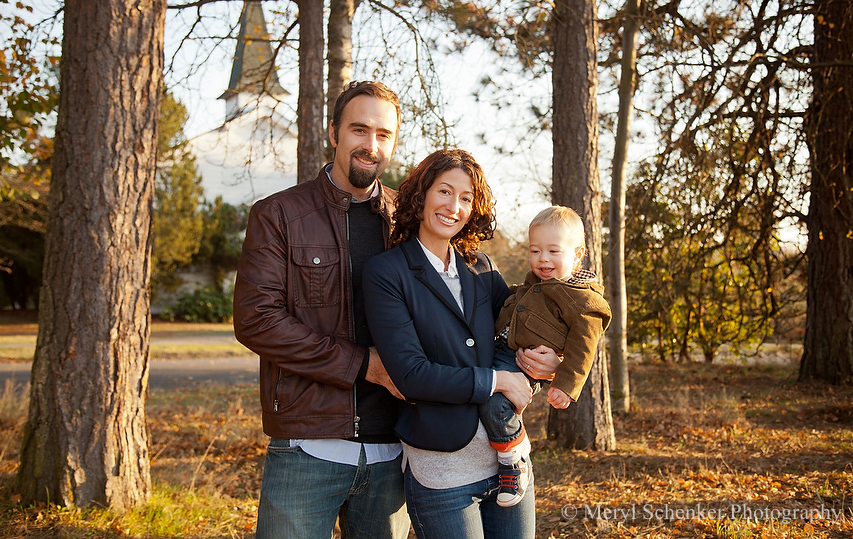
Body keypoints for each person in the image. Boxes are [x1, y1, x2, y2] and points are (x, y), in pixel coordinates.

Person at [233, 81, 411, 539]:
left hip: (394, 449)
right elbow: (257, 319)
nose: (371, 145)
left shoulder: (409, 221)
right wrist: (362, 365)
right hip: (306, 449)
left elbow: (456, 297)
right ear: (334, 132)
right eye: (359, 129)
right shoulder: (278, 215)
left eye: (384, 134)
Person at [363, 149, 561, 539]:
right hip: (443, 476)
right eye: (445, 192)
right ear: (421, 196)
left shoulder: (482, 267)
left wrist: (551, 358)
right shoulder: (387, 273)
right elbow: (411, 375)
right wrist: (497, 381)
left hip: (510, 467)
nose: (454, 207)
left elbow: (523, 328)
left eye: (467, 198)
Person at [480, 205, 612, 507]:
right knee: (479, 392)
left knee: (497, 404)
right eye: (536, 250)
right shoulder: (534, 282)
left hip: (525, 362)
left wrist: (565, 382)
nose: (543, 259)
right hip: (501, 350)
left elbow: (583, 346)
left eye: (553, 251)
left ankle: (514, 461)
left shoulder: (584, 299)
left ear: (577, 255)